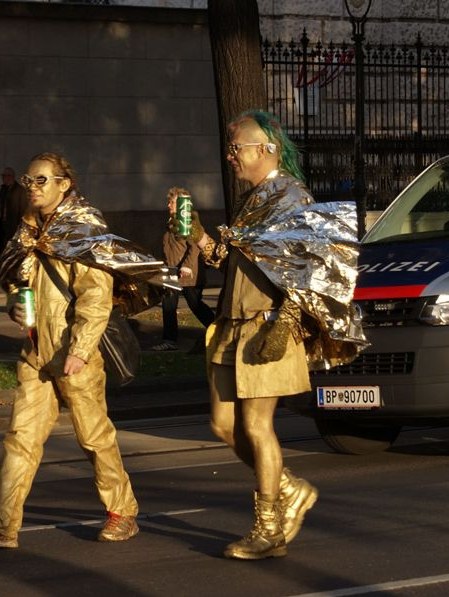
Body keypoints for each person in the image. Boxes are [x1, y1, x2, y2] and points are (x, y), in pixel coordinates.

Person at [184, 110, 367, 560]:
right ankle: (290, 488)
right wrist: (197, 234)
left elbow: (315, 268)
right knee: (222, 425)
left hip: (269, 324)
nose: (231, 157)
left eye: (237, 148)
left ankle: (268, 528)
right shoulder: (255, 198)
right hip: (234, 322)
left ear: (266, 149)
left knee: (255, 425)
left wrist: (286, 325)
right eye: (229, 149)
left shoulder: (291, 196)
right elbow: (229, 258)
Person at [0, 153, 140, 549]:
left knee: (94, 438)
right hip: (36, 355)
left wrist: (80, 350)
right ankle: (2, 523)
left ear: (64, 185)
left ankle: (123, 512)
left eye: (42, 180)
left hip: (75, 358)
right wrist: (15, 305)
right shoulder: (27, 232)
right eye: (28, 181)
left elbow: (95, 297)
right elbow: (17, 283)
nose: (33, 188)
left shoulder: (82, 232)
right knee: (20, 439)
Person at [151, 186, 215, 352]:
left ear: (180, 204)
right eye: (168, 202)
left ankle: (218, 330)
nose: (168, 205)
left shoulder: (187, 222)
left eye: (171, 203)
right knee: (168, 305)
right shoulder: (171, 223)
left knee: (195, 305)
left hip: (188, 272)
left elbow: (194, 248)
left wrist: (186, 266)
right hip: (171, 270)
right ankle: (169, 340)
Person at [0, 167, 28, 275]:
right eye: (2, 176)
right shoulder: (3, 189)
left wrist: (21, 226)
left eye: (6, 176)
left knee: (11, 249)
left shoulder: (19, 190)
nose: (4, 178)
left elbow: (22, 209)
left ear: (12, 177)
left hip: (13, 225)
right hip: (1, 223)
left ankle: (12, 271)